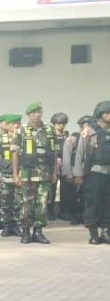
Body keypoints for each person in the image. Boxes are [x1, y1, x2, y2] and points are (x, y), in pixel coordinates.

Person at [12, 102, 56, 244]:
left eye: (39, 112)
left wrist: (54, 172)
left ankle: (38, 232)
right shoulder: (21, 131)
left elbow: (54, 153)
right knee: (26, 203)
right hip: (27, 174)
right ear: (28, 114)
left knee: (42, 204)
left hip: (44, 174)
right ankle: (25, 231)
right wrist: (15, 174)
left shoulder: (49, 129)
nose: (37, 115)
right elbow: (15, 154)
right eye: (34, 112)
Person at [81, 101, 110, 244]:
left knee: (107, 203)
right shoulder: (90, 131)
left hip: (108, 172)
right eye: (107, 113)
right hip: (94, 172)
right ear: (100, 114)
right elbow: (81, 153)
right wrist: (76, 174)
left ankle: (105, 231)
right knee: (93, 202)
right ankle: (93, 233)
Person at [59, 116, 86, 225]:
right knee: (73, 196)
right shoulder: (73, 138)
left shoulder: (90, 137)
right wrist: (68, 172)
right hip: (74, 171)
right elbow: (66, 156)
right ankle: (74, 216)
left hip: (86, 172)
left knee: (84, 195)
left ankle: (82, 215)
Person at [48, 111, 69, 220]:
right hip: (53, 164)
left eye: (63, 123)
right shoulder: (50, 134)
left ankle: (63, 211)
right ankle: (50, 210)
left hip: (65, 163)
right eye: (59, 123)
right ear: (54, 123)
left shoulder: (67, 135)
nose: (61, 125)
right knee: (51, 188)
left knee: (65, 189)